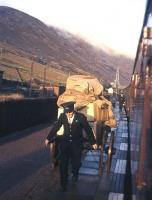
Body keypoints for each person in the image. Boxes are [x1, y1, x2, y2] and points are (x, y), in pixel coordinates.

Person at [45, 101, 97, 191]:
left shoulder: (80, 117)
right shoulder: (63, 116)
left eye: (69, 113)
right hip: (65, 145)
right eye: (66, 113)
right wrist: (48, 138)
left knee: (76, 163)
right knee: (63, 165)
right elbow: (56, 127)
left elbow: (88, 129)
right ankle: (63, 184)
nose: (68, 115)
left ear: (73, 111)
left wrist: (93, 142)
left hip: (76, 144)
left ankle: (75, 173)